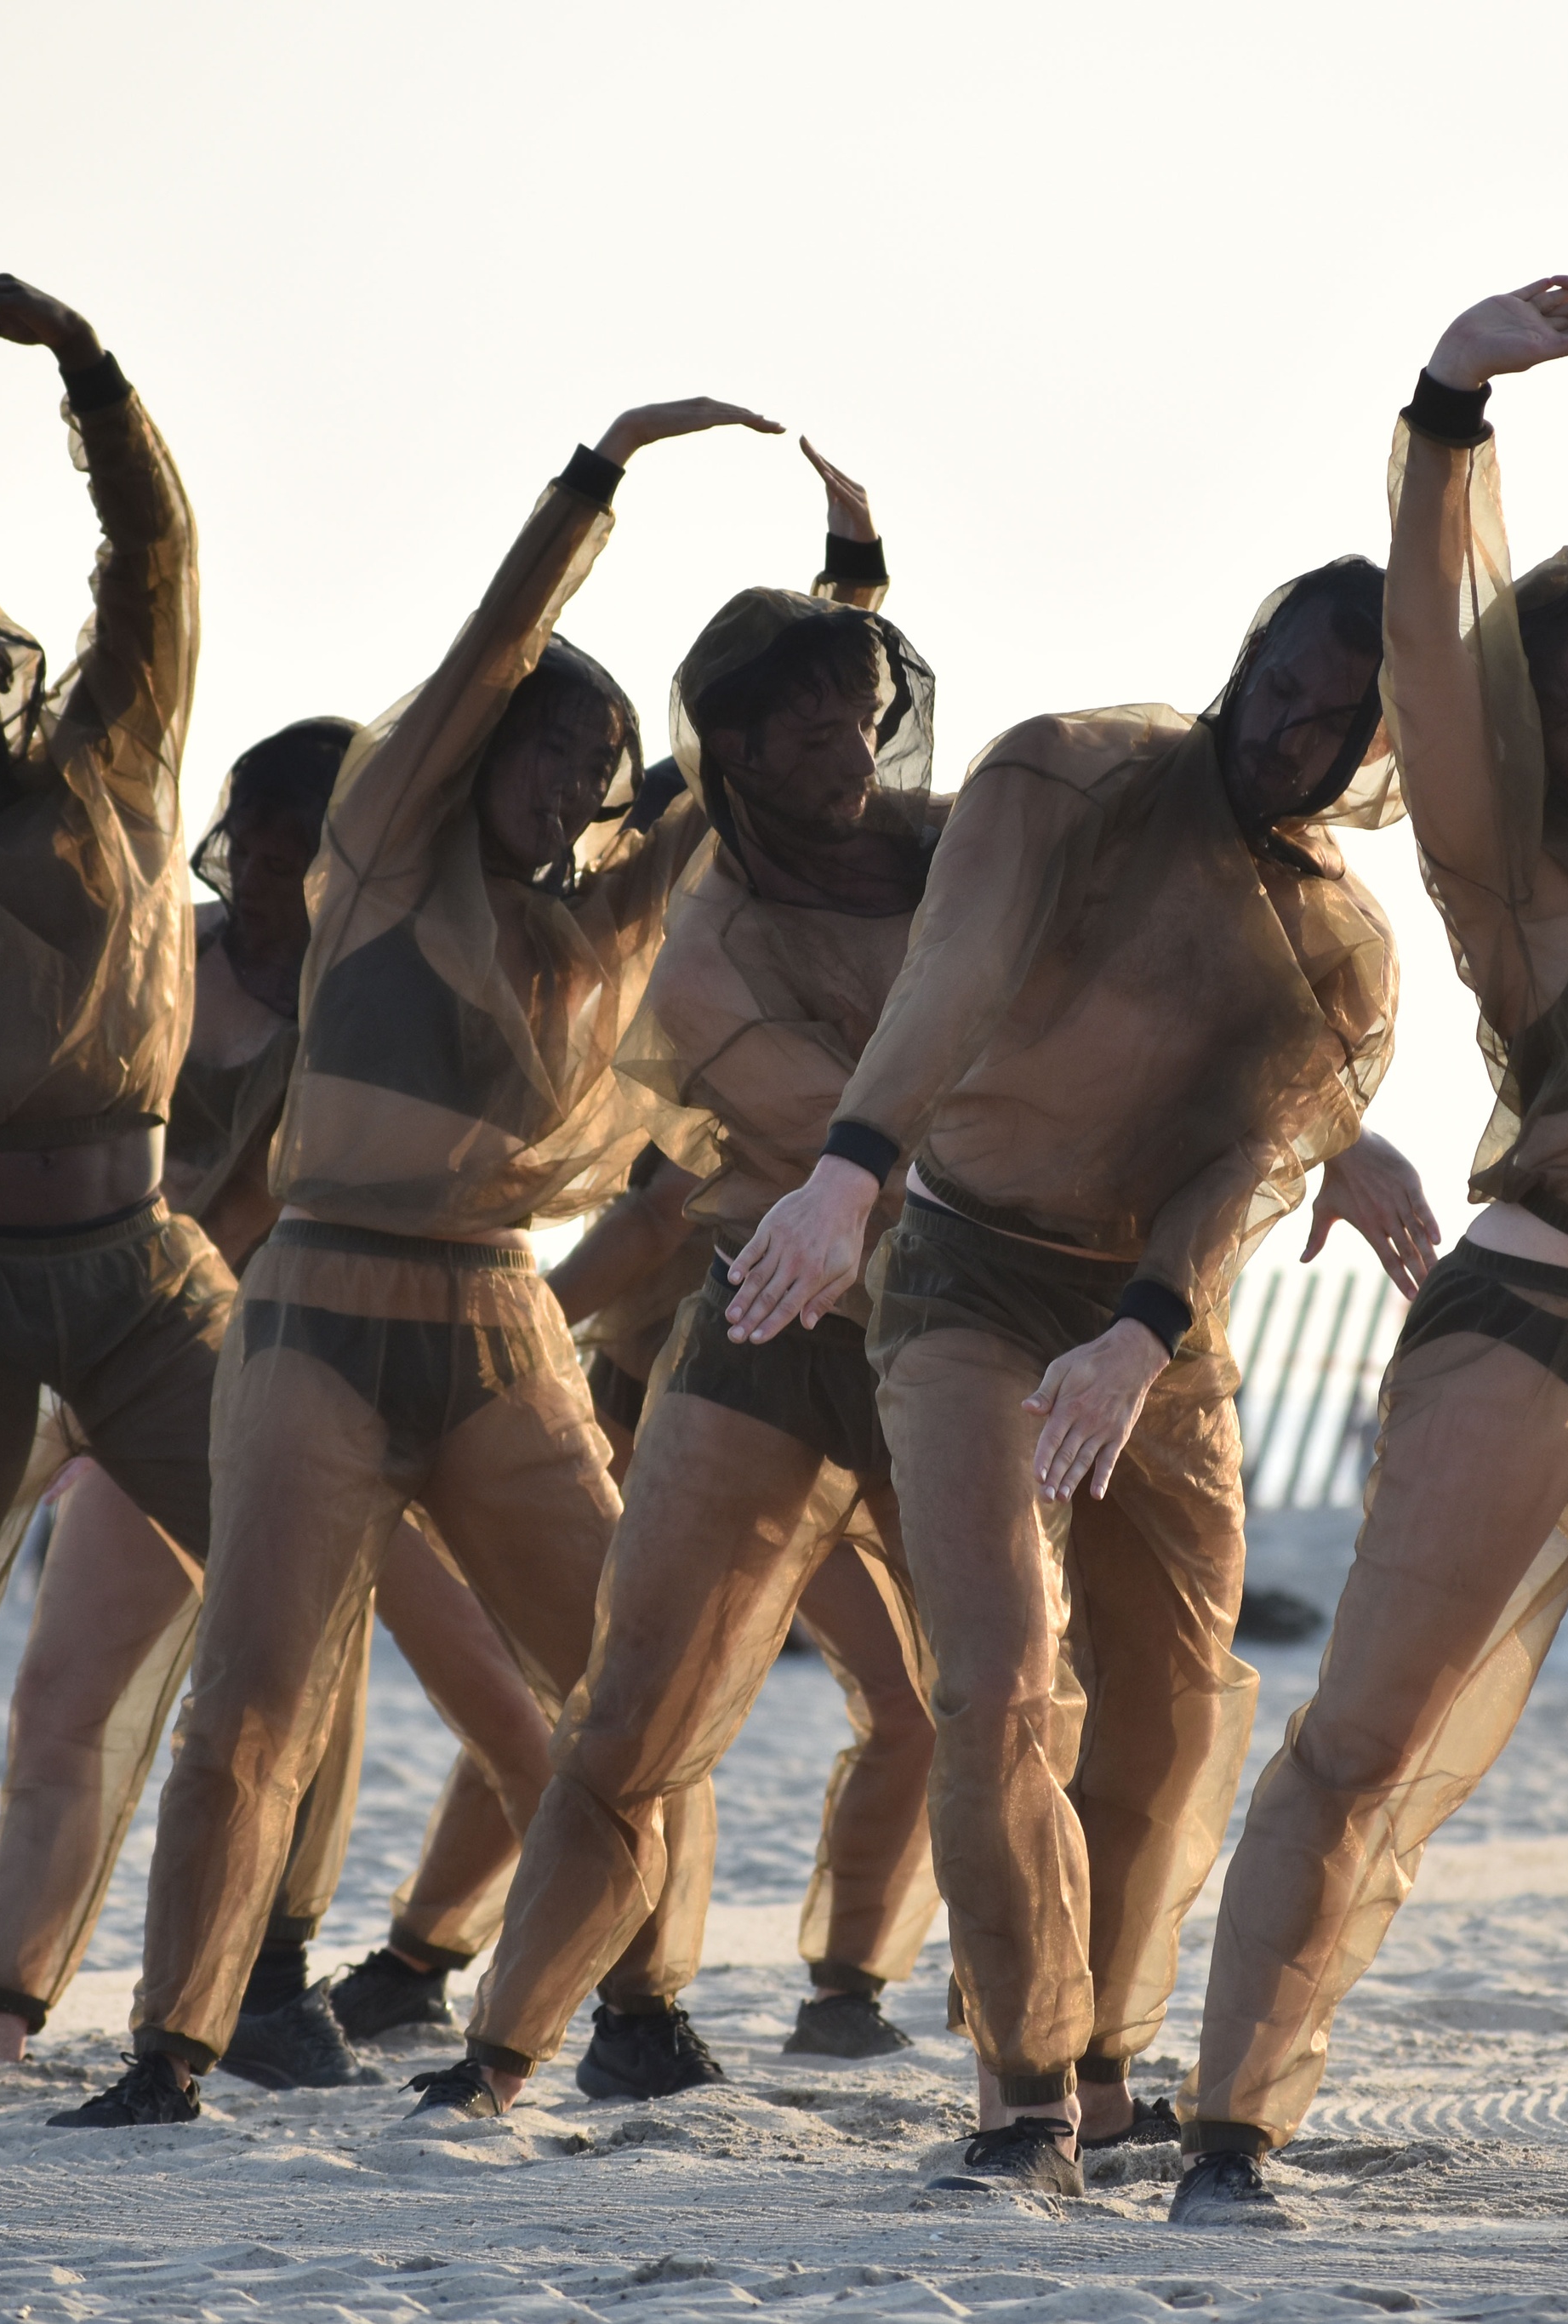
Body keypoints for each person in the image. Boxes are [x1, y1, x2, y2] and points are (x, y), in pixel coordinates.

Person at [50, 391, 781, 2130]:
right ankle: (177, 2046)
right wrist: (593, 482)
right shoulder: (382, 855)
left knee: (633, 1682)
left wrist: (842, 583)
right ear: (482, 751)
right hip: (312, 1309)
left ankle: (637, 2003)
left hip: (488, 1318)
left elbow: (722, 786)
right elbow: (487, 648)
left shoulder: (578, 929)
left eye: (596, 780)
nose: (577, 798)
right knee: (253, 1696)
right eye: (553, 762)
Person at [716, 560, 1431, 2194]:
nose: (1295, 740)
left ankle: (1104, 2056)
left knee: (1173, 1722)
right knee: (997, 1677)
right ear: (1245, 661)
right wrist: (848, 1171)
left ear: (1381, 751)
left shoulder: (1342, 945)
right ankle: (1021, 2091)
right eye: (1285, 691)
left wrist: (1147, 1326)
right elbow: (950, 977)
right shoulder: (1069, 776)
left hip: (1151, 1325)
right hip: (966, 1263)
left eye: (1341, 727)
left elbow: (1243, 1154)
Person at [357, 448, 942, 2086]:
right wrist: (524, 1332)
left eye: (861, 720)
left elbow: (804, 722)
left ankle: (832, 1985)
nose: (848, 754)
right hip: (664, 1354)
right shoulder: (671, 931)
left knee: (870, 1701)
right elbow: (666, 1207)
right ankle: (470, 1973)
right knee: (620, 1696)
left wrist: (859, 569)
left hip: (843, 1336)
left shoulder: (877, 867)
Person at [1171, 278, 1568, 2226]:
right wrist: (1456, 402)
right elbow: (1444, 663)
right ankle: (1228, 2126)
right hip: (1529, 1319)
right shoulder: (1516, 867)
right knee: (1368, 1727)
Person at [0, 719, 562, 2087]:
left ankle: (428, 1982)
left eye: (296, 853)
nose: (267, 876)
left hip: (330, 1379)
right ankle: (1, 2008)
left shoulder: (396, 994)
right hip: (148, 1357)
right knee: (61, 1697)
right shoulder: (173, 957)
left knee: (505, 1714)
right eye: (254, 847)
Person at [0, 248, 220, 1937]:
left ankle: (253, 1960)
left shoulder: (115, 753)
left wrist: (87, 369)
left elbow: (154, 561)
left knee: (270, 1579)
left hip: (144, 1265)